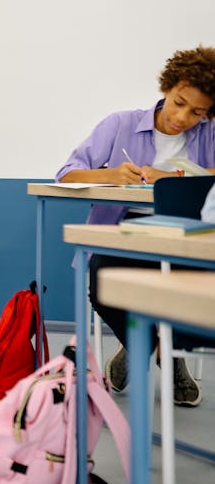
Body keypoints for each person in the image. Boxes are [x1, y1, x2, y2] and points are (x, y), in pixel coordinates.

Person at [56, 45, 215, 406]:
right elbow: (66, 176)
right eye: (179, 102)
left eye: (198, 112)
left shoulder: (209, 133)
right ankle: (162, 350)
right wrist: (111, 175)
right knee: (102, 287)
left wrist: (173, 175)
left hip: (185, 237)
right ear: (168, 86)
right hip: (122, 235)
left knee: (191, 291)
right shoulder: (121, 124)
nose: (183, 117)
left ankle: (139, 346)